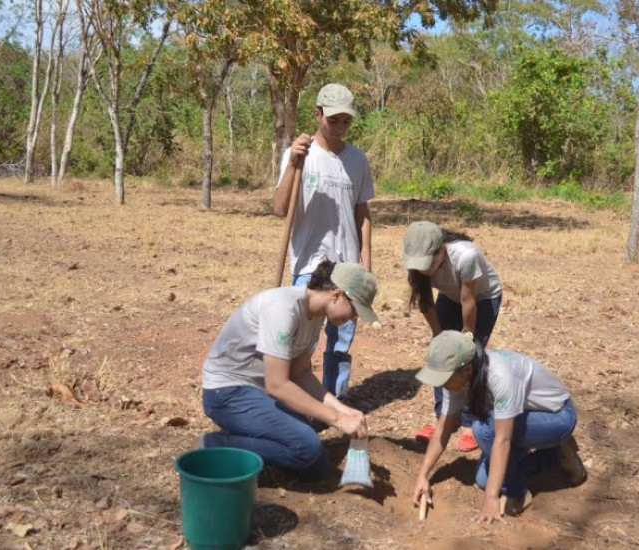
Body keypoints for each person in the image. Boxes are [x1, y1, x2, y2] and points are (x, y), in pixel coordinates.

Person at [200, 261, 378, 480]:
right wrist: (337, 419)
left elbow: (300, 373)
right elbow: (278, 385)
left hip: (257, 392)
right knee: (306, 448)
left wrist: (343, 410)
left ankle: (250, 445)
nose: (353, 318)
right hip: (227, 393)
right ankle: (214, 445)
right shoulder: (283, 308)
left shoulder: (315, 315)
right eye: (354, 311)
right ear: (337, 295)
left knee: (317, 467)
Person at [412, 331, 586, 523]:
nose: (442, 385)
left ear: (467, 370)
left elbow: (502, 439)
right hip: (519, 418)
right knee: (483, 480)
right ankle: (555, 455)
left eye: (444, 378)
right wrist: (423, 476)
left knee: (483, 430)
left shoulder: (500, 375)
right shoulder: (457, 378)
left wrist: (491, 498)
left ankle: (518, 491)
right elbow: (443, 428)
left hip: (558, 417)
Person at [273, 83, 374, 399]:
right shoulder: (300, 155)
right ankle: (299, 402)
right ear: (317, 115)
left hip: (347, 266)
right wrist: (292, 165)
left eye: (346, 121)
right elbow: (279, 208)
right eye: (333, 120)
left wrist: (366, 265)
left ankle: (335, 403)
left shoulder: (358, 161)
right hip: (310, 265)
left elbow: (363, 215)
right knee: (303, 341)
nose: (340, 128)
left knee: (341, 342)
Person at [403, 220, 502, 452]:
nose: (423, 269)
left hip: (482, 298)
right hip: (450, 296)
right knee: (440, 354)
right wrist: (439, 335)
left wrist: (466, 335)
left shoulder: (466, 256)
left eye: (427, 263)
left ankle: (469, 421)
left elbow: (469, 300)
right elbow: (426, 302)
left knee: (470, 355)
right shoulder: (417, 262)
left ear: (441, 249)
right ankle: (444, 416)